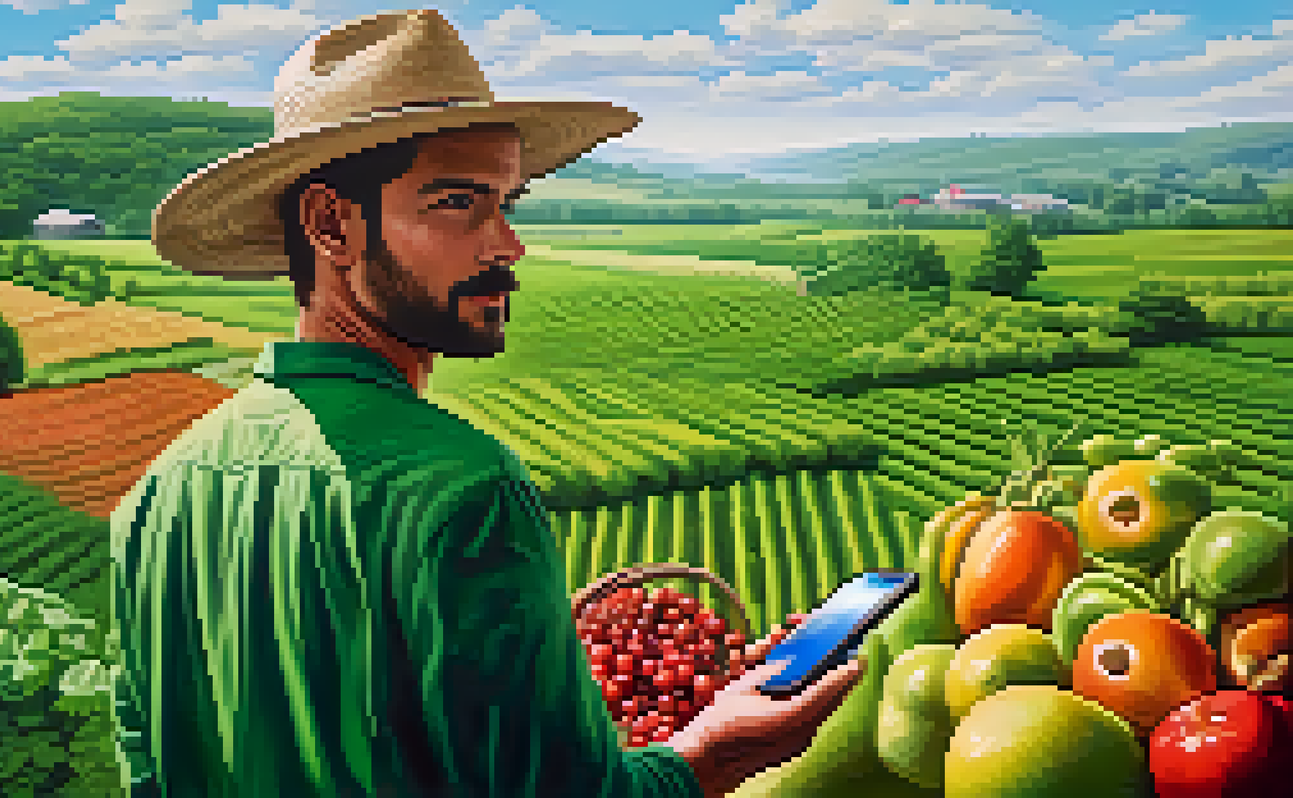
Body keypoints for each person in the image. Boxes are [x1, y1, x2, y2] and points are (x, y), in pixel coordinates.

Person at [112, 8, 865, 798]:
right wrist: (711, 752)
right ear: (330, 223)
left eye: (509, 202)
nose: (508, 243)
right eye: (457, 204)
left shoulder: (157, 496)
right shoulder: (462, 488)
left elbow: (150, 772)